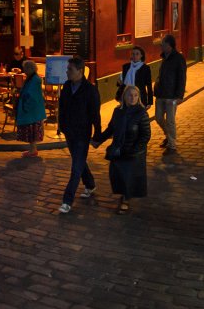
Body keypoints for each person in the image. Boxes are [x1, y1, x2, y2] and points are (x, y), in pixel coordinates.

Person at [92, 85, 151, 214]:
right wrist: (98, 140)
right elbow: (111, 129)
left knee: (128, 176)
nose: (133, 98)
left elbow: (145, 135)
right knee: (116, 173)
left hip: (133, 152)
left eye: (136, 95)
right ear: (124, 96)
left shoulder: (141, 113)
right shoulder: (118, 111)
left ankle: (125, 200)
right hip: (119, 149)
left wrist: (135, 150)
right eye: (130, 95)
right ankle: (124, 195)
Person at [57, 56, 101, 214]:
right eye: (67, 69)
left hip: (82, 133)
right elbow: (61, 107)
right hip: (70, 132)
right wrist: (61, 125)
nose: (67, 72)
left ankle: (67, 201)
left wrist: (97, 133)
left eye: (70, 69)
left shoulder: (90, 90)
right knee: (79, 161)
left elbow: (95, 113)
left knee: (76, 167)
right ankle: (90, 185)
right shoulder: (67, 86)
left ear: (80, 71)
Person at [154, 34, 186, 152]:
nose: (161, 47)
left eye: (163, 45)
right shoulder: (163, 57)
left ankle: (172, 144)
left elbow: (182, 77)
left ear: (170, 45)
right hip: (161, 93)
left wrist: (179, 96)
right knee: (158, 118)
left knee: (170, 120)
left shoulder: (178, 58)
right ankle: (168, 136)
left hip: (172, 96)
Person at [15, 59, 46, 158]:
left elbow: (32, 95)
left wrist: (25, 105)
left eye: (25, 68)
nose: (24, 70)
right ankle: (32, 150)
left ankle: (33, 150)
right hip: (32, 111)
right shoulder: (32, 78)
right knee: (31, 131)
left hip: (32, 111)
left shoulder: (34, 79)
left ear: (29, 69)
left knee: (32, 131)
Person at [116, 45, 153, 111]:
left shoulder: (145, 68)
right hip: (126, 97)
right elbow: (122, 83)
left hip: (140, 98)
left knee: (138, 118)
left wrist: (149, 102)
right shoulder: (126, 67)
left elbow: (149, 85)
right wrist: (119, 82)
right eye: (133, 54)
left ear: (141, 55)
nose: (134, 56)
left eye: (137, 54)